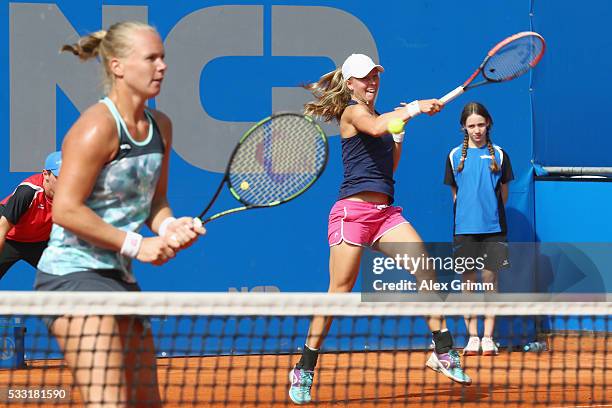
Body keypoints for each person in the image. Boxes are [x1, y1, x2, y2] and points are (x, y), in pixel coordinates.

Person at [35, 21, 205, 407]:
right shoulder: (96, 127)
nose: (161, 66)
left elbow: (155, 203)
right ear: (117, 66)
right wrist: (138, 245)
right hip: (70, 275)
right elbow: (65, 209)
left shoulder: (161, 127)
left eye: (163, 57)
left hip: (117, 277)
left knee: (146, 403)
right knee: (109, 402)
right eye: (151, 58)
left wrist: (169, 225)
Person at [288, 54, 471, 405]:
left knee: (425, 266)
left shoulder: (380, 116)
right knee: (339, 292)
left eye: (375, 76)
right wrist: (414, 108)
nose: (371, 82)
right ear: (349, 83)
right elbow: (373, 128)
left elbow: (388, 169)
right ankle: (305, 367)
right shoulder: (353, 112)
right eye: (364, 78)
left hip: (385, 214)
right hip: (352, 214)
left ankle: (443, 350)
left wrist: (399, 135)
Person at [444, 101, 514, 356]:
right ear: (464, 127)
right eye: (471, 125)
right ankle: (473, 337)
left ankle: (488, 338)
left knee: (490, 282)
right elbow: (455, 194)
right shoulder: (454, 156)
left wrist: (488, 212)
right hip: (464, 229)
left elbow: (503, 192)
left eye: (481, 125)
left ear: (488, 125)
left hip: (494, 229)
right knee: (468, 285)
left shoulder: (500, 154)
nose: (477, 130)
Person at [0, 151, 61, 280]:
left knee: (65, 278)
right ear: (46, 174)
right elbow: (2, 230)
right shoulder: (28, 192)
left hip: (39, 243)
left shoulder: (71, 194)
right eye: (59, 177)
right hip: (9, 239)